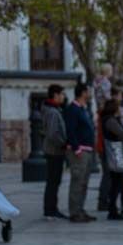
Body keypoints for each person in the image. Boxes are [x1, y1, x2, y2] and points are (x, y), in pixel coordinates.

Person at [63, 82, 97, 224]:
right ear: (83, 93)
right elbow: (70, 130)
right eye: (88, 91)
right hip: (79, 152)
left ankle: (80, 209)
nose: (90, 94)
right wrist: (76, 148)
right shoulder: (73, 109)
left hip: (87, 151)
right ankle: (74, 212)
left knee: (84, 183)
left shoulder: (83, 109)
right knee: (77, 182)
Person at [100, 97, 123, 221]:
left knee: (117, 183)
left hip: (115, 153)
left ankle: (114, 208)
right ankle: (115, 209)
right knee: (119, 182)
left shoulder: (110, 119)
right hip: (117, 153)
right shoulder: (111, 121)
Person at [41, 84, 68, 220]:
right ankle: (50, 210)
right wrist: (63, 143)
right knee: (53, 181)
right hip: (54, 151)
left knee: (54, 181)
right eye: (62, 94)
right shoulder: (52, 112)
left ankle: (52, 208)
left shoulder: (54, 109)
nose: (64, 97)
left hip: (55, 150)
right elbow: (53, 133)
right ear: (56, 95)